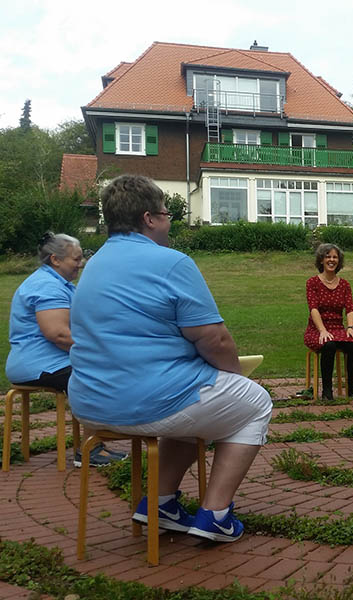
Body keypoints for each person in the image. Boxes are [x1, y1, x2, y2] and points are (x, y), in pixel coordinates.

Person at [68, 174, 272, 543]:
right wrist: (237, 377)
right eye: (166, 214)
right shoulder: (172, 263)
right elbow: (216, 339)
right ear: (149, 218)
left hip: (89, 403)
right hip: (148, 401)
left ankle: (159, 504)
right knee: (254, 402)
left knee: (196, 405)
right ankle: (216, 515)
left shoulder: (93, 264)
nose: (169, 221)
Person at [5, 232, 126, 467]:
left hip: (46, 361)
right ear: (55, 260)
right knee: (95, 375)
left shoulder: (56, 283)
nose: (80, 264)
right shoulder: (46, 286)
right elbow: (58, 334)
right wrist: (101, 349)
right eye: (76, 259)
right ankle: (91, 449)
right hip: (39, 365)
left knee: (101, 369)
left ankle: (96, 441)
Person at [303, 243, 353, 401]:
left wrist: (350, 327)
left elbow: (350, 308)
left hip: (338, 328)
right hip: (317, 329)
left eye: (335, 257)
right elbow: (313, 309)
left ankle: (352, 388)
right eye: (328, 256)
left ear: (339, 261)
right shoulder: (312, 283)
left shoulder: (344, 285)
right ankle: (327, 391)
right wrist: (322, 330)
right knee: (328, 345)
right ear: (321, 260)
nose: (331, 260)